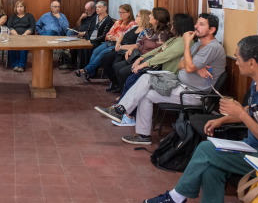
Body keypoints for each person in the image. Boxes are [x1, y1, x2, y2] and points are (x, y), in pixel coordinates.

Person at [144, 35, 258, 203]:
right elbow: (253, 110)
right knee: (212, 170)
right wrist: (223, 120)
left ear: (252, 63)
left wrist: (239, 114)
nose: (237, 62)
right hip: (252, 146)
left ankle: (175, 197)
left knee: (206, 148)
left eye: (238, 58)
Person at [96, 13, 226, 146]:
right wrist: (195, 67)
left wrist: (188, 49)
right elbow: (182, 64)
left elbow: (187, 67)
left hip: (193, 94)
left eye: (201, 24)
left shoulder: (212, 47)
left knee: (145, 82)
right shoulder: (198, 45)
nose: (196, 26)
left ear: (212, 30)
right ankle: (142, 134)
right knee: (146, 89)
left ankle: (121, 110)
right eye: (197, 23)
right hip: (179, 84)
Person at [112, 13, 195, 127]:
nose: (171, 26)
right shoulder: (176, 39)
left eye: (174, 24)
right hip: (162, 72)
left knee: (135, 80)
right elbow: (158, 50)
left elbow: (164, 56)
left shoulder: (183, 43)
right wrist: (141, 58)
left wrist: (143, 64)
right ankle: (123, 110)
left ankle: (127, 114)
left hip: (170, 76)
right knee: (132, 78)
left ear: (179, 26)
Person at [110, 7, 172, 93]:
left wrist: (141, 59)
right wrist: (132, 48)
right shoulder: (151, 29)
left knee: (123, 72)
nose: (149, 16)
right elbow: (140, 43)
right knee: (116, 66)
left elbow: (159, 51)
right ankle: (123, 92)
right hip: (139, 56)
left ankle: (129, 94)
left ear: (157, 18)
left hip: (149, 61)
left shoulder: (163, 34)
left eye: (151, 14)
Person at [75, 4, 136, 80]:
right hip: (109, 42)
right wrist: (110, 37)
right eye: (120, 12)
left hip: (118, 45)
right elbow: (108, 34)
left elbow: (126, 37)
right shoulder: (118, 22)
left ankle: (86, 70)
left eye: (123, 12)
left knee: (102, 54)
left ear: (129, 13)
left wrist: (115, 38)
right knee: (95, 51)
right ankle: (89, 73)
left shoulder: (132, 24)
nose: (121, 14)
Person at [101, 9, 151, 92]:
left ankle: (119, 85)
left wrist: (122, 47)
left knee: (115, 64)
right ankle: (115, 82)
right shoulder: (134, 27)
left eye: (137, 16)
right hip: (120, 47)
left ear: (143, 18)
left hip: (127, 51)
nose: (135, 17)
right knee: (104, 58)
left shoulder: (145, 32)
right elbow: (122, 35)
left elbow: (137, 45)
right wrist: (118, 44)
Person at [60, 1, 96, 70]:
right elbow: (78, 25)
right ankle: (67, 51)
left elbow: (93, 30)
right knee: (70, 32)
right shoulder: (85, 16)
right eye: (85, 9)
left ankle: (69, 60)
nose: (86, 11)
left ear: (93, 10)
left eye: (87, 10)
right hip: (78, 32)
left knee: (75, 41)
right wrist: (80, 18)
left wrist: (85, 33)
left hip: (86, 34)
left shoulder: (95, 17)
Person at [7, 0, 36, 72]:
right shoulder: (13, 16)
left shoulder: (29, 16)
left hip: (26, 35)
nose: (19, 8)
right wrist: (16, 35)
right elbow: (9, 27)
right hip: (14, 35)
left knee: (24, 44)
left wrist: (24, 35)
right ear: (16, 8)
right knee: (11, 44)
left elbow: (32, 27)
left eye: (21, 6)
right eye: (18, 6)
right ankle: (15, 64)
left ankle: (22, 65)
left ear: (24, 8)